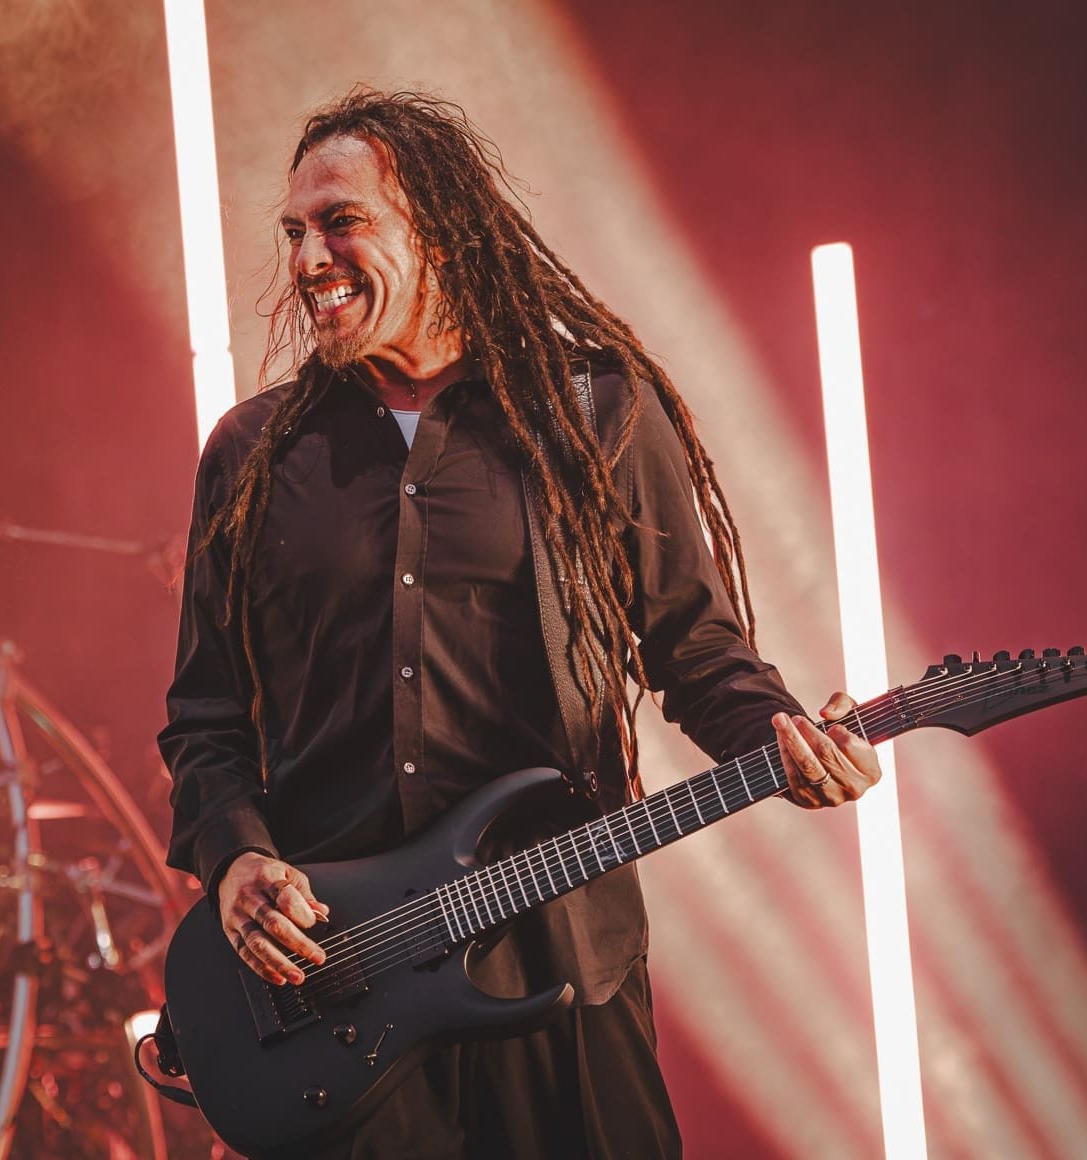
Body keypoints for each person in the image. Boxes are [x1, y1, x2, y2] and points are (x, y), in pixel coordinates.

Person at [159, 89, 882, 1159]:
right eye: (296, 231)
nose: (309, 257)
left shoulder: (593, 414)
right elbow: (206, 718)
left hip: (562, 956)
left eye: (342, 221)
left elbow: (694, 648)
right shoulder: (256, 454)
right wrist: (237, 863)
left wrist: (783, 739)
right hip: (340, 985)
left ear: (441, 230)